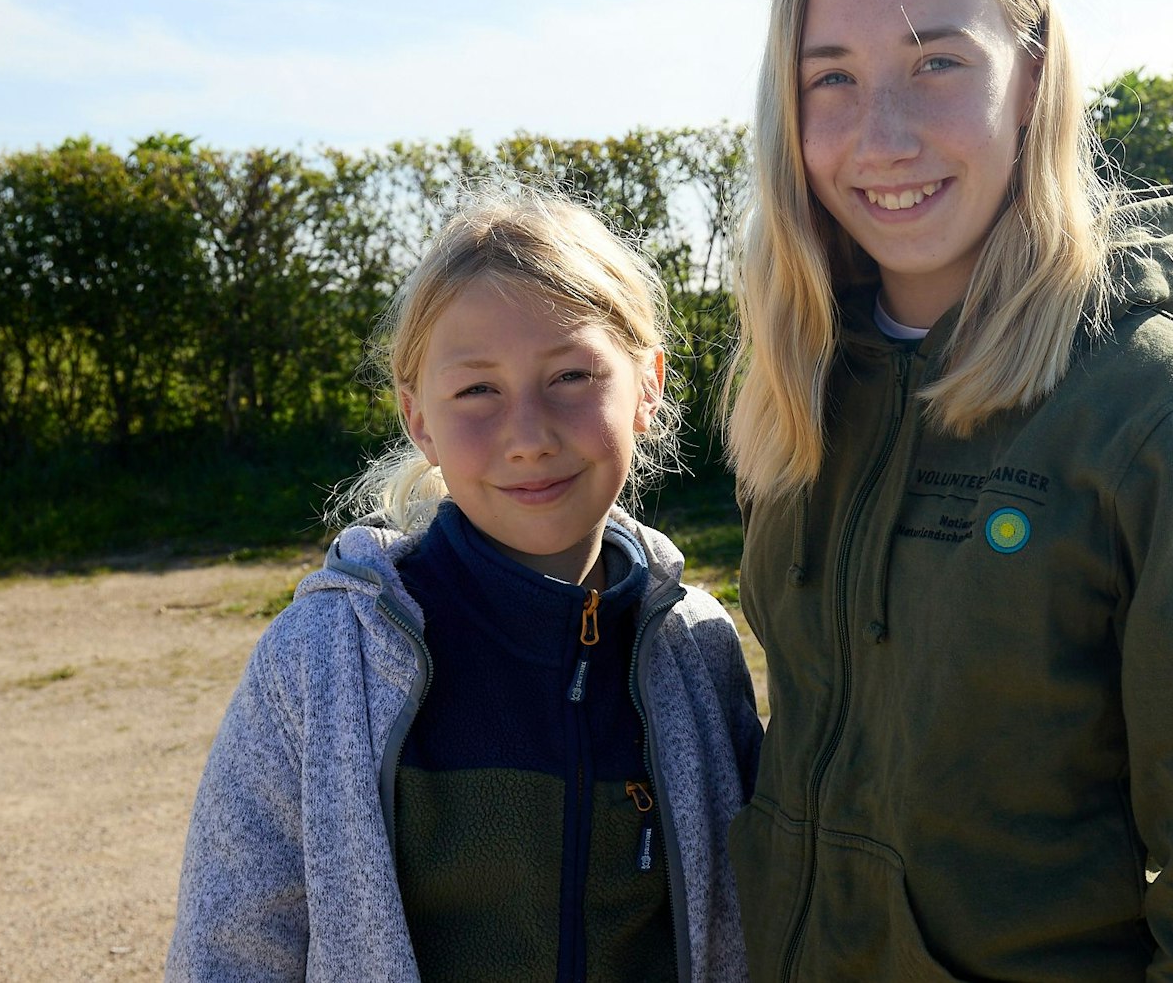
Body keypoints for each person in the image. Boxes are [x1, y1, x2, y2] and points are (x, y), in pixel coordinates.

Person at [724, 0, 1173, 981]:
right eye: (833, 79)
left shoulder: (1156, 406)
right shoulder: (801, 378)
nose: (883, 135)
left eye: (936, 64)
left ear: (1033, 78)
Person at [167, 187, 763, 983]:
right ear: (419, 418)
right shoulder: (318, 664)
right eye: (478, 390)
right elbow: (229, 951)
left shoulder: (697, 648)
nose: (528, 437)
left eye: (572, 376)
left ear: (648, 386)